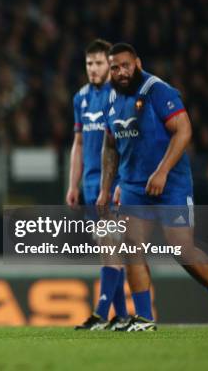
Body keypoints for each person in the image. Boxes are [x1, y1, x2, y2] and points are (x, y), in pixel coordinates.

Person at [97, 43, 208, 331]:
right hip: (134, 187)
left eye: (126, 65)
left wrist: (162, 171)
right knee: (131, 247)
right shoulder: (111, 100)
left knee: (181, 249)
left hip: (171, 184)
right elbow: (110, 147)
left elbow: (184, 129)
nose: (121, 71)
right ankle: (144, 319)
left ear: (137, 63)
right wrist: (106, 187)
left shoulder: (157, 90)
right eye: (115, 67)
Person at [67, 39, 128, 331]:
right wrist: (72, 184)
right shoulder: (80, 98)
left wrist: (122, 181)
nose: (93, 68)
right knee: (107, 249)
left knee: (110, 246)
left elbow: (125, 143)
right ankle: (124, 316)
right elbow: (78, 144)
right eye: (89, 63)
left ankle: (102, 312)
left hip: (112, 184)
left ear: (109, 64)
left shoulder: (118, 97)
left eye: (99, 63)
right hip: (90, 184)